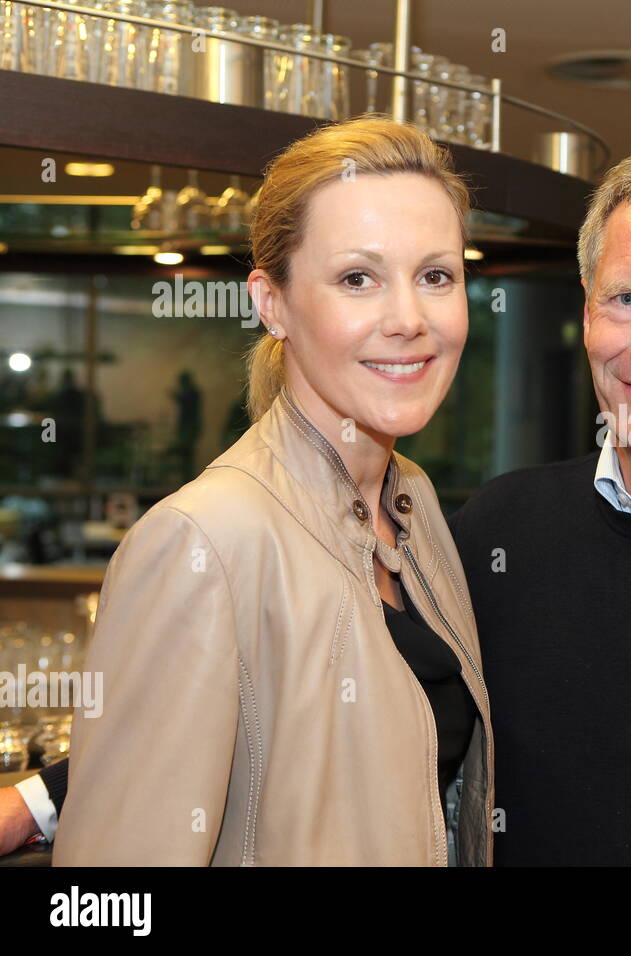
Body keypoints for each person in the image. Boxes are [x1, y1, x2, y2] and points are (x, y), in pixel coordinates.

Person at [2, 142, 631, 866]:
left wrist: (39, 800)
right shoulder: (496, 529)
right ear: (585, 313)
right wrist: (51, 797)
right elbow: (232, 703)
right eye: (625, 299)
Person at [0, 115, 494, 865]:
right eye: (358, 278)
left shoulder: (413, 503)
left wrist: (43, 799)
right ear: (272, 303)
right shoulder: (204, 540)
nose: (409, 319)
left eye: (436, 276)